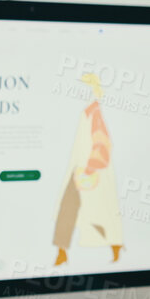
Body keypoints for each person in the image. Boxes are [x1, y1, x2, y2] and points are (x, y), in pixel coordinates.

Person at [51, 71, 126, 265]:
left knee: (101, 214)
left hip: (90, 173)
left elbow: (103, 145)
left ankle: (116, 247)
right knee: (69, 209)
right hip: (79, 171)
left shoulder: (94, 114)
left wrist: (89, 170)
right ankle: (62, 252)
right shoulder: (85, 113)